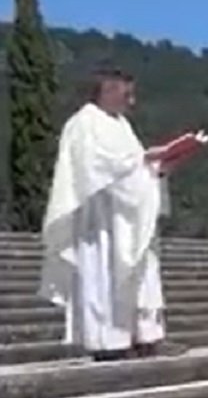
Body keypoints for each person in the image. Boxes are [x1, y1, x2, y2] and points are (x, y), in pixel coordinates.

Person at [40, 69, 196, 361]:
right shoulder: (84, 123)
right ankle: (109, 342)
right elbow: (93, 168)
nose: (132, 102)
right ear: (107, 91)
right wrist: (144, 158)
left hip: (132, 217)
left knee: (144, 275)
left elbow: (134, 168)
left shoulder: (122, 125)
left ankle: (148, 338)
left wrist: (159, 168)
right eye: (127, 95)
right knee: (105, 276)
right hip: (102, 224)